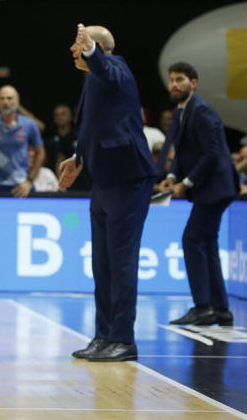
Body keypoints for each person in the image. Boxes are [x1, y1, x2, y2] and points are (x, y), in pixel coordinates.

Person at [59, 24, 156, 362]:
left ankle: (123, 340)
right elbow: (93, 126)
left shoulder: (116, 68)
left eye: (78, 44)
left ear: (97, 47)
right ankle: (103, 335)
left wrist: (91, 52)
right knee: (102, 264)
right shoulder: (93, 80)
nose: (73, 50)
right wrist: (78, 159)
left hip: (128, 179)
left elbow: (106, 70)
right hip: (103, 180)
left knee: (121, 262)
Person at [157, 62, 239, 326]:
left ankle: (203, 307)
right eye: (171, 80)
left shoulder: (202, 111)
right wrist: (172, 177)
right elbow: (183, 152)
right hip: (212, 187)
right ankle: (220, 309)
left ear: (193, 83)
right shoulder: (182, 111)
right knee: (206, 243)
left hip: (216, 187)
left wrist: (187, 183)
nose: (174, 85)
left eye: (180, 79)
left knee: (192, 239)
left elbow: (213, 154)